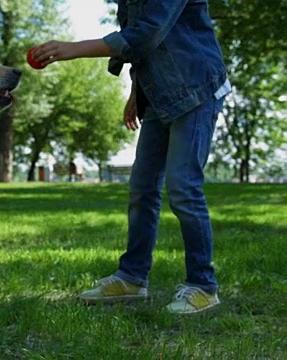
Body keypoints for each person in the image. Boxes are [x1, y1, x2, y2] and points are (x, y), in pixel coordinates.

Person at [32, 0, 231, 314]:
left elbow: (147, 34)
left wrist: (74, 48)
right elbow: (140, 45)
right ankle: (132, 278)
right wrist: (136, 94)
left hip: (197, 88)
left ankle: (203, 286)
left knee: (183, 189)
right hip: (159, 95)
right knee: (142, 189)